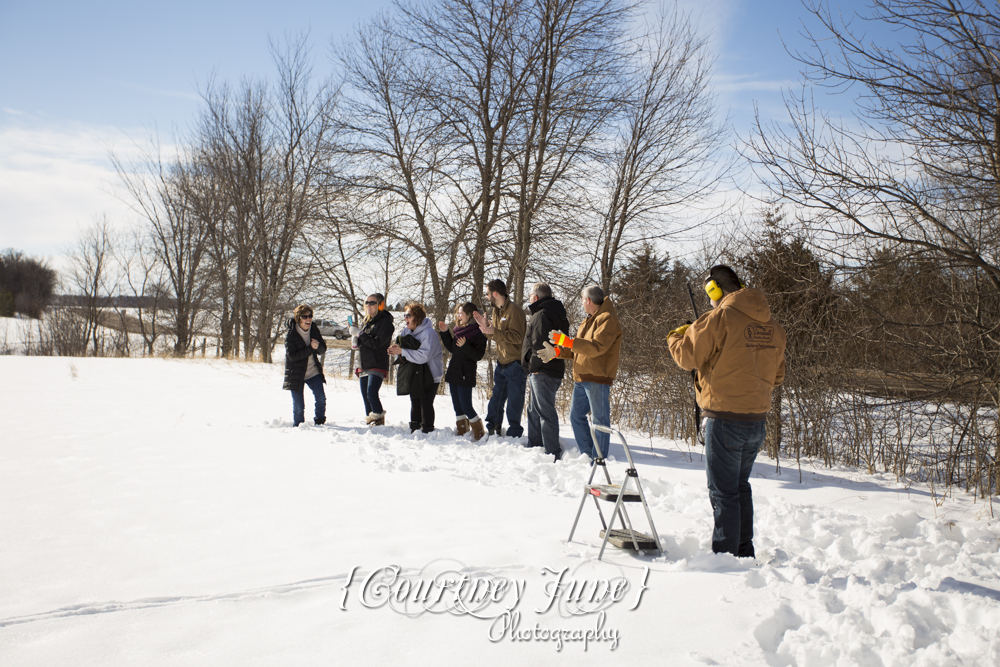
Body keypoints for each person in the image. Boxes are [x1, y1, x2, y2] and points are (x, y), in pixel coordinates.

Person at [666, 265, 786, 558]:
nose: (709, 301)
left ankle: (726, 559)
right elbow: (778, 376)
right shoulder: (774, 327)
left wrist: (676, 335)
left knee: (723, 494)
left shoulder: (719, 317)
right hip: (756, 422)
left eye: (709, 295)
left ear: (714, 289)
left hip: (723, 420)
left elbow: (686, 356)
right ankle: (743, 552)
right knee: (739, 488)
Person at [545, 285, 622, 460]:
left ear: (588, 300)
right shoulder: (588, 320)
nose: (582, 303)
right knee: (576, 416)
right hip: (582, 376)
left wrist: (568, 341)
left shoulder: (607, 319)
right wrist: (558, 351)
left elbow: (596, 348)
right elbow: (579, 349)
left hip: (597, 377)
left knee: (599, 421)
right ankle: (587, 456)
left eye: (582, 299)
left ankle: (599, 460)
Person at [521, 283, 570, 461]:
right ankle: (535, 446)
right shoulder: (554, 312)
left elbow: (540, 345)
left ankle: (552, 452)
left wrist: (532, 366)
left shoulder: (542, 314)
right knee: (534, 409)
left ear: (536, 297)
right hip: (547, 369)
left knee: (545, 411)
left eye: (530, 295)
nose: (528, 298)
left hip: (543, 370)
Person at [473, 279, 526, 437]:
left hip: (515, 362)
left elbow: (517, 337)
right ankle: (493, 427)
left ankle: (514, 432)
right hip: (501, 361)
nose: (487, 297)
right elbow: (495, 335)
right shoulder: (496, 311)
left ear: (495, 293)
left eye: (488, 293)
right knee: (496, 398)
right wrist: (486, 329)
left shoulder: (514, 311)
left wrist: (493, 331)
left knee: (515, 401)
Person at [388, 302, 444, 433]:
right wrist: (394, 350)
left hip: (431, 375)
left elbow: (423, 356)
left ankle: (427, 430)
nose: (405, 318)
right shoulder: (406, 331)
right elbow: (401, 348)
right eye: (404, 315)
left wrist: (403, 352)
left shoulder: (429, 334)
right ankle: (414, 428)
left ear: (417, 318)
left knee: (425, 402)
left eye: (408, 315)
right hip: (414, 373)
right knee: (414, 401)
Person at [438, 302, 488, 440]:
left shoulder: (479, 332)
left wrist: (465, 346)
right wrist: (445, 333)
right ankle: (462, 431)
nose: (458, 316)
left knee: (466, 405)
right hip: (454, 371)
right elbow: (454, 349)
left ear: (469, 315)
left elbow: (478, 355)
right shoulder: (460, 330)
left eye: (461, 313)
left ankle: (479, 433)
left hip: (466, 373)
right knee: (457, 405)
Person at [350, 293, 394, 426]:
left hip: (377, 362)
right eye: (367, 302)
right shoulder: (366, 321)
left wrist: (360, 333)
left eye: (372, 302)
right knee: (365, 396)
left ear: (380, 305)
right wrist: (355, 337)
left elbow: (377, 344)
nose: (368, 305)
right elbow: (362, 343)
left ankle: (379, 420)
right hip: (364, 362)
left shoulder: (386, 323)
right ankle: (371, 423)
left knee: (371, 393)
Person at [282, 304, 327, 427]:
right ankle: (299, 427)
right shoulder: (291, 334)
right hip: (296, 373)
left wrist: (318, 347)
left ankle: (320, 422)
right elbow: (292, 356)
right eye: (304, 317)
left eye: (310, 316)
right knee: (298, 405)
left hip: (313, 371)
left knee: (321, 397)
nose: (308, 319)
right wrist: (310, 349)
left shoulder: (313, 328)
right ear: (298, 318)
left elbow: (323, 349)